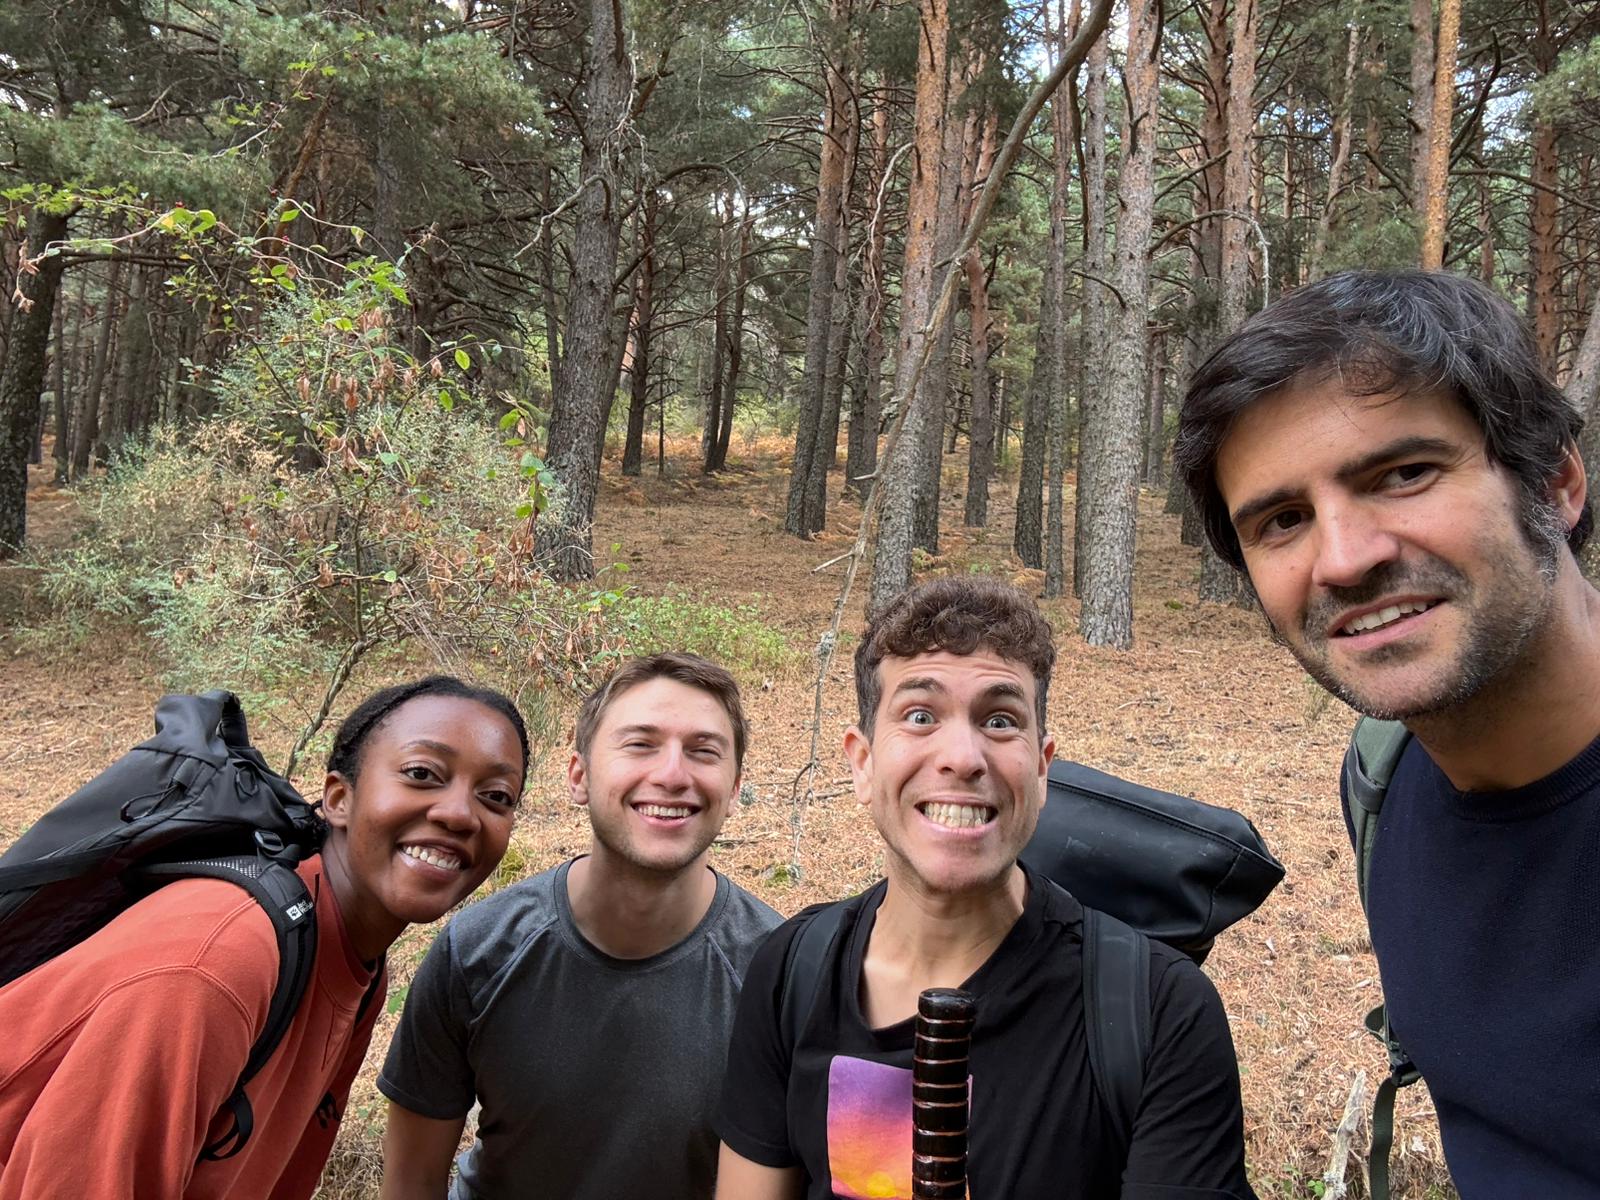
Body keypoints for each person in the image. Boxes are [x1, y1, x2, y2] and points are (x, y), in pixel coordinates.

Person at [1175, 269, 1600, 1195]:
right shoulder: (1384, 777)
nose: (1344, 558)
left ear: (1557, 481)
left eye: (1403, 475)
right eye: (1283, 521)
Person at [713, 577, 1257, 1200]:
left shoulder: (1160, 1013)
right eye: (920, 716)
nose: (963, 757)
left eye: (1000, 720)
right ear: (863, 762)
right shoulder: (790, 972)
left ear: (1043, 768)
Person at [0, 675, 527, 1199]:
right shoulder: (215, 964)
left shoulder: (358, 965)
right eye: (421, 773)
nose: (460, 814)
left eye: (496, 796)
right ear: (339, 798)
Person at [377, 652, 782, 1200]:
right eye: (640, 744)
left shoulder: (775, 976)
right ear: (579, 776)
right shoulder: (478, 950)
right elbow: (411, 1182)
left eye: (703, 751)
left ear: (734, 789)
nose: (671, 774)